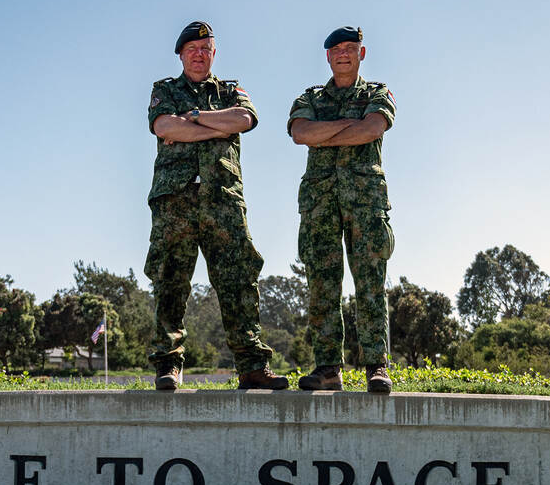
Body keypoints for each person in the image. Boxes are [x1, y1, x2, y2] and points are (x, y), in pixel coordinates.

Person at [145, 21, 288, 391]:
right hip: (175, 199)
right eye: (191, 48)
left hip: (223, 199)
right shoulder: (165, 90)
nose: (198, 54)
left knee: (239, 280)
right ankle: (168, 363)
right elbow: (165, 127)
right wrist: (216, 127)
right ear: (180, 54)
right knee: (170, 280)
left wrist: (193, 118)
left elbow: (244, 119)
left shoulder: (230, 90)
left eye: (205, 48)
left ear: (214, 53)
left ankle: (252, 366)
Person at [288, 26, 396, 393]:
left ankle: (376, 366)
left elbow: (373, 129)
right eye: (336, 50)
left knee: (370, 283)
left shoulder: (377, 93)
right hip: (320, 203)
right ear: (328, 57)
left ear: (361, 54)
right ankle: (328, 368)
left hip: (365, 201)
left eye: (350, 48)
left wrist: (327, 134)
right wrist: (350, 125)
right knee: (321, 285)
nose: (344, 54)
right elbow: (301, 132)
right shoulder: (311, 97)